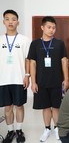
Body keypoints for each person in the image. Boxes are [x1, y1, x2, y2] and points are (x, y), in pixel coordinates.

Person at [28, 16, 69, 142]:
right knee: (45, 107)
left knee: (56, 106)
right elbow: (32, 63)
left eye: (53, 28)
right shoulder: (35, 44)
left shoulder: (59, 43)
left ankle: (57, 128)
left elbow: (64, 61)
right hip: (41, 82)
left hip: (56, 80)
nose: (51, 30)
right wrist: (33, 81)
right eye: (49, 27)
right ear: (42, 27)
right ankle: (47, 129)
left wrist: (66, 79)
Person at [0, 9, 30, 143]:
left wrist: (27, 75)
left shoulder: (24, 40)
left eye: (13, 19)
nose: (10, 21)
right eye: (7, 19)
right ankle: (10, 131)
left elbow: (27, 59)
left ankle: (19, 130)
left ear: (18, 22)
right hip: (3, 79)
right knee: (7, 107)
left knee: (19, 106)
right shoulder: (0, 40)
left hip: (19, 78)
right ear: (3, 22)